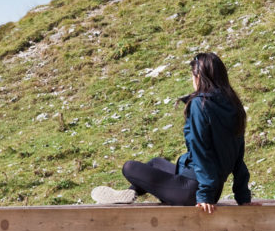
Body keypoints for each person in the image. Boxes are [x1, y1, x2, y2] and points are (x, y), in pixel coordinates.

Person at [91, 52, 251, 213]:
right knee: (155, 163)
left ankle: (128, 194)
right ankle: (129, 193)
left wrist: (204, 195)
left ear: (198, 77)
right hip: (207, 186)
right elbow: (238, 156)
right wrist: (243, 197)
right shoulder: (234, 106)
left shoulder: (200, 104)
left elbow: (201, 150)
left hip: (192, 191)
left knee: (130, 167)